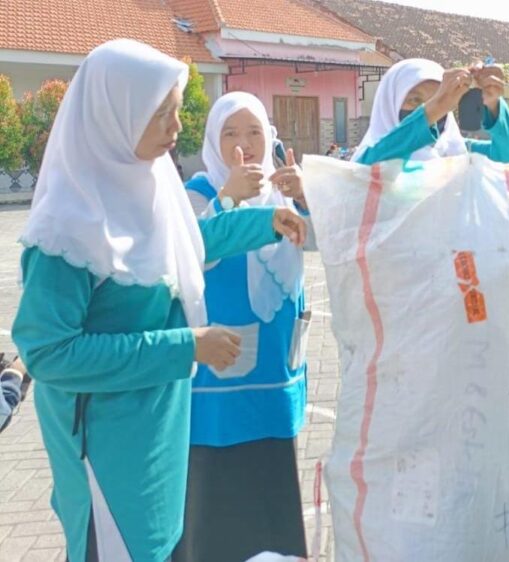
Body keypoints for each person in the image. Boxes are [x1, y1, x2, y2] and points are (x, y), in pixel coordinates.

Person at [11, 39, 306, 562]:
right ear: (116, 115)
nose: (176, 127)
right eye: (162, 113)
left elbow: (188, 245)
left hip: (157, 432)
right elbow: (48, 353)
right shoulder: (66, 230)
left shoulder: (148, 185)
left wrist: (266, 222)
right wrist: (186, 345)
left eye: (175, 110)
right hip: (104, 448)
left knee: (161, 542)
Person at [176, 92, 311, 562]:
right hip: (218, 376)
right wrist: (229, 196)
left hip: (272, 371)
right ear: (213, 140)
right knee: (216, 496)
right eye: (230, 133)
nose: (245, 144)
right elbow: (190, 255)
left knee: (271, 486)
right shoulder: (197, 193)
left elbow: (323, 243)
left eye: (254, 131)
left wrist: (305, 197)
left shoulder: (283, 191)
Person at [352, 58, 509, 165]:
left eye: (440, 98)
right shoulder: (367, 157)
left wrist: (492, 101)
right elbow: (370, 166)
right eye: (414, 100)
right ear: (389, 104)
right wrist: (437, 106)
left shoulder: (456, 151)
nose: (434, 109)